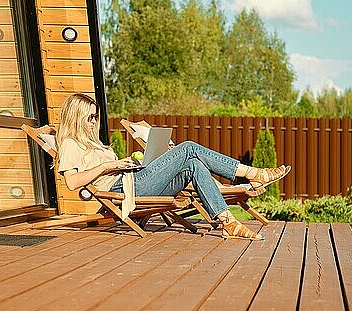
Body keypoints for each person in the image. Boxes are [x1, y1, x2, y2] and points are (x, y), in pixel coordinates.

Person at [56, 93, 291, 241]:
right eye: (90, 117)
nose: (94, 122)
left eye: (96, 116)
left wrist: (131, 163)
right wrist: (109, 165)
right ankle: (253, 173)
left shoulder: (94, 142)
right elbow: (72, 183)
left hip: (135, 180)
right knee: (188, 147)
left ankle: (227, 221)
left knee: (193, 164)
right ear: (76, 117)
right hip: (122, 190)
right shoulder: (70, 144)